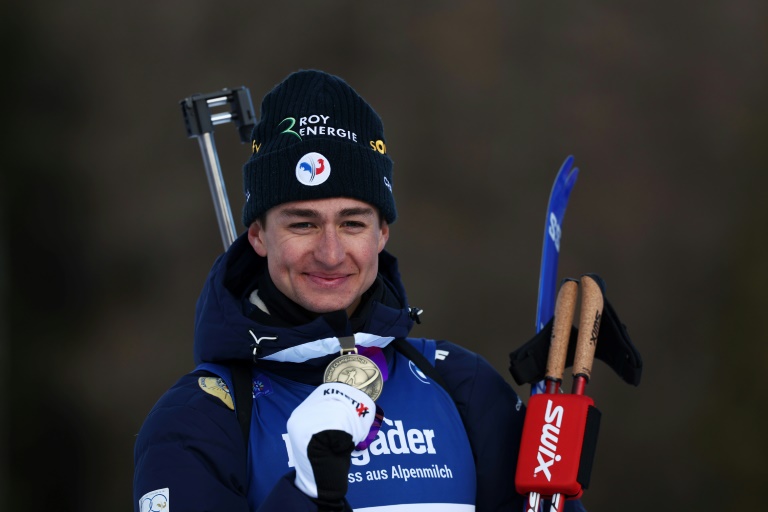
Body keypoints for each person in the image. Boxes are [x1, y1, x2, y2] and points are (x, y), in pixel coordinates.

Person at [133, 69, 587, 512]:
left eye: (352, 223)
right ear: (257, 236)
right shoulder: (197, 420)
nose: (330, 254)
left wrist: (557, 451)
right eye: (303, 224)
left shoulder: (463, 386)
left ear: (382, 232)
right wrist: (305, 495)